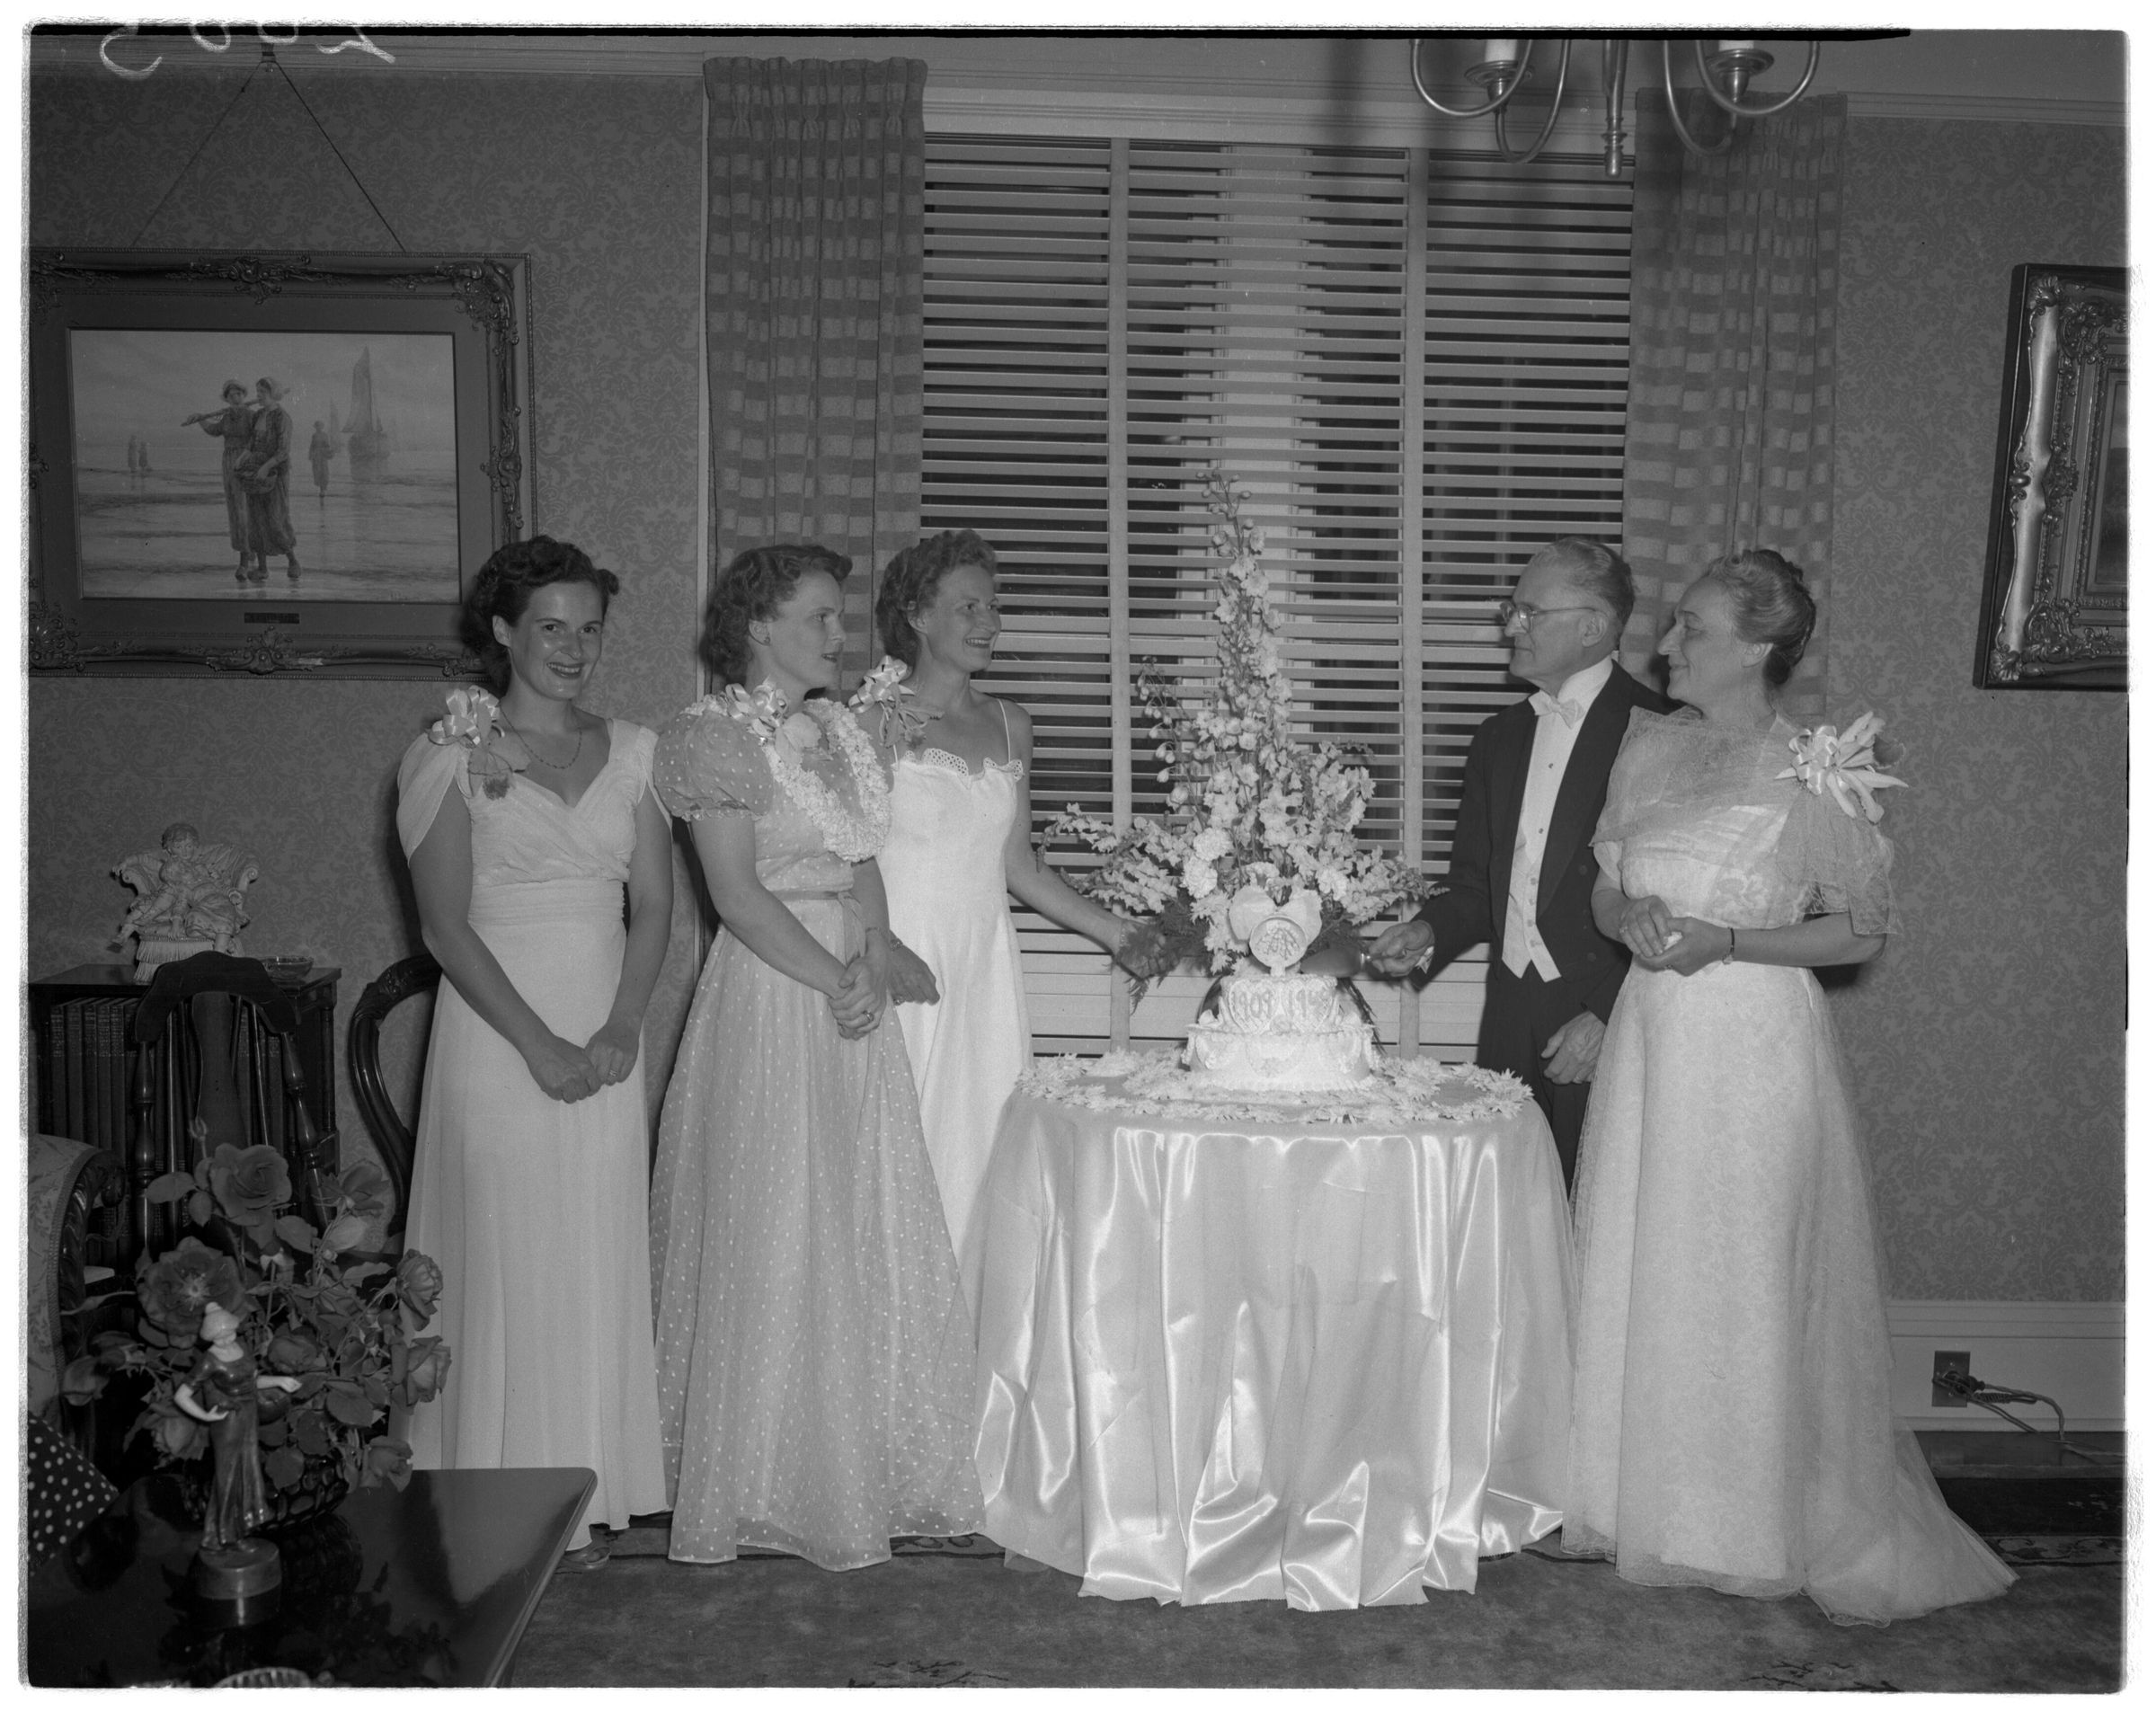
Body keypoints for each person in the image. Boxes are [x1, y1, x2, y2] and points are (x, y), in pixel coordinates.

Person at [1564, 548, 2014, 1623]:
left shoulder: (1815, 765)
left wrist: (1725, 938)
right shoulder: (1649, 747)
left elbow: (1857, 932)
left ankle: (1740, 1518)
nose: (1667, 644)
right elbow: (1603, 881)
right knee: (1643, 1249)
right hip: (1651, 1035)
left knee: (1742, 1267)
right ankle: (1629, 1497)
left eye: (1693, 627)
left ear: (1758, 646)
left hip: (1752, 1046)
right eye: (1674, 623)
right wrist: (1626, 915)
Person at [650, 542, 982, 1570]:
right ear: (757, 627)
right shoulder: (711, 736)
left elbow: (860, 859)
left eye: (838, 617)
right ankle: (758, 1473)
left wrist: (872, 955)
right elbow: (735, 894)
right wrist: (829, 972)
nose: (839, 635)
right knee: (775, 1213)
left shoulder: (837, 730)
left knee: (853, 1208)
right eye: (819, 618)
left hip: (846, 981)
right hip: (771, 985)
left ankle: (858, 1459)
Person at [395, 535, 670, 1564]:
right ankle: (488, 1502)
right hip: (497, 1038)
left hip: (604, 1037)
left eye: (588, 628)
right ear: (504, 629)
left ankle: (582, 1496)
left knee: (587, 1258)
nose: (572, 647)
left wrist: (621, 1025)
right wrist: (539, 1043)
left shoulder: (636, 751)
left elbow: (655, 907)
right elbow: (444, 928)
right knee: (505, 1258)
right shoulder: (445, 752)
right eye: (551, 626)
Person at [865, 529, 1140, 1276]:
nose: (988, 621)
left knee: (979, 1144)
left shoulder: (1010, 724)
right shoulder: (870, 720)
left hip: (983, 968)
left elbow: (1017, 865)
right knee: (899, 1146)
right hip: (901, 958)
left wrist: (1119, 933)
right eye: (968, 607)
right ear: (917, 616)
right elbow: (843, 856)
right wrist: (882, 947)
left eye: (992, 606)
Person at [1365, 537, 1669, 1189]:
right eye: (1513, 610)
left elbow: (1683, 902)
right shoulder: (1497, 739)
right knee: (1503, 1209)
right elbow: (1475, 886)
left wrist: (1609, 1014)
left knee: (1598, 1210)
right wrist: (1426, 931)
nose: (1512, 626)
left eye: (1531, 612)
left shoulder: (1663, 731)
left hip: (1604, 1016)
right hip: (1507, 1018)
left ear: (1592, 627)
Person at [183, 381, 258, 581]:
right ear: (227, 399)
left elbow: (258, 439)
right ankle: (247, 550)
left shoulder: (251, 416)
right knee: (235, 510)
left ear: (243, 396)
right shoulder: (226, 417)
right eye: (231, 395)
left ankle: (244, 561)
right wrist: (200, 419)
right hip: (228, 463)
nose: (235, 398)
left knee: (245, 511)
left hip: (246, 463)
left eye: (238, 394)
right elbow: (214, 430)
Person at [235, 377, 300, 581]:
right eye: (258, 392)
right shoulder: (258, 415)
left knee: (275, 518)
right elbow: (251, 443)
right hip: (255, 471)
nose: (259, 396)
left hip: (275, 473)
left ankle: (293, 561)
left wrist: (266, 467)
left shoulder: (283, 418)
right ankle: (262, 569)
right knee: (256, 521)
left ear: (273, 394)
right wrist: (241, 458)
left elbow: (283, 451)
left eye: (262, 393)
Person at [307, 420, 335, 498]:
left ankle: (323, 490)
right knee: (317, 472)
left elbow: (327, 445)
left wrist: (329, 451)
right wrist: (310, 455)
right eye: (317, 426)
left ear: (322, 427)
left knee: (324, 472)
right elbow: (312, 445)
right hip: (316, 456)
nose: (318, 428)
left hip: (323, 456)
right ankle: (321, 489)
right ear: (315, 427)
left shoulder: (325, 435)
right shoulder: (314, 435)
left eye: (319, 426)